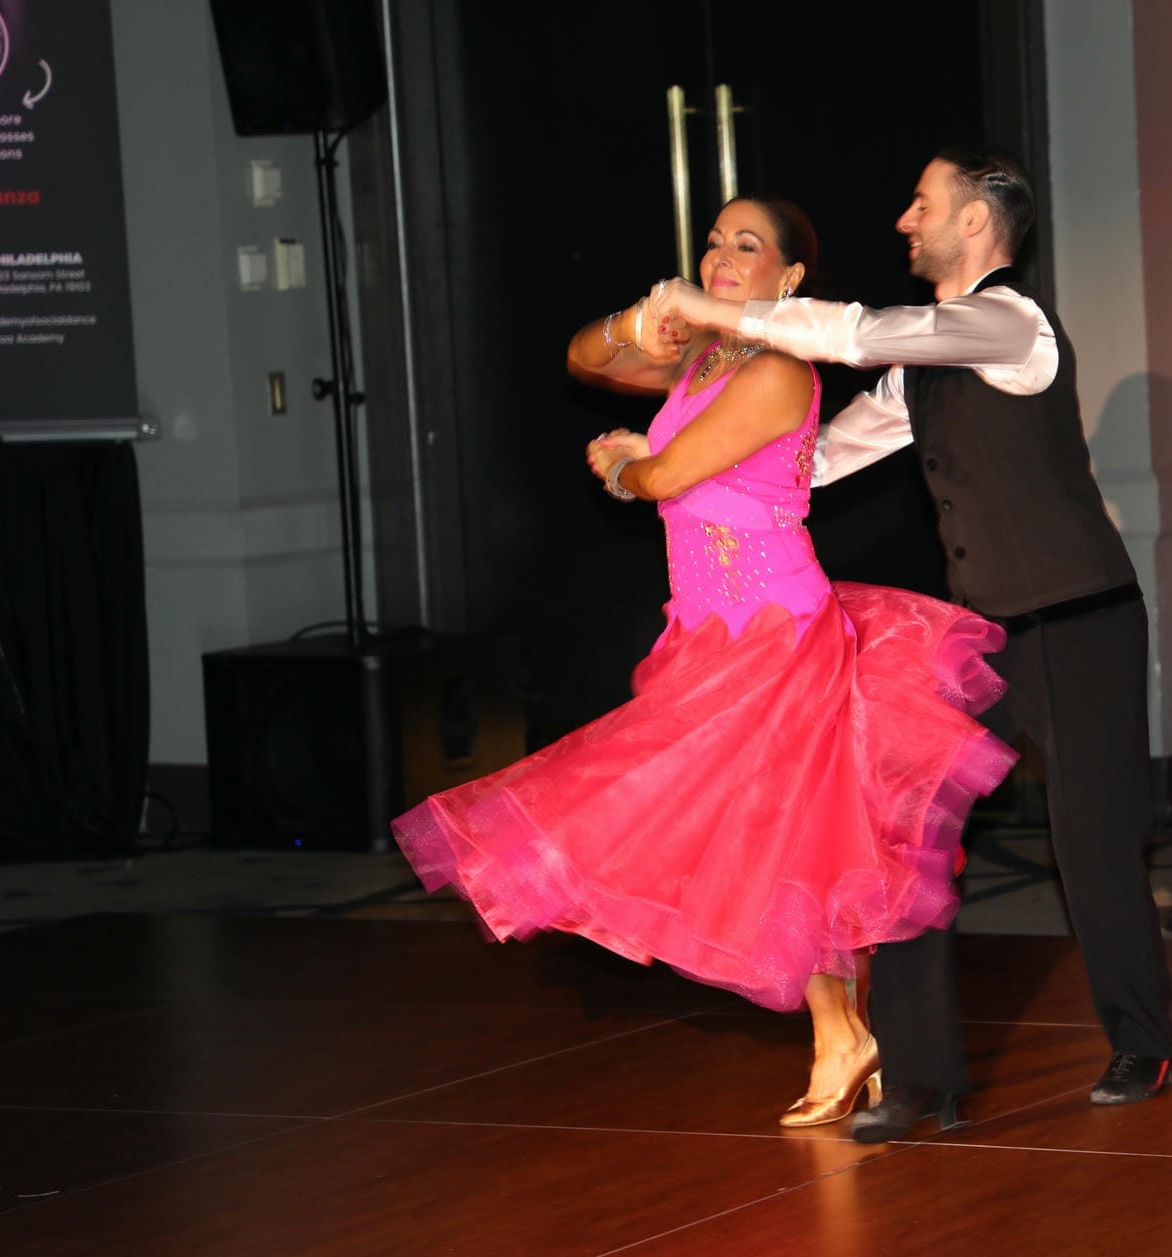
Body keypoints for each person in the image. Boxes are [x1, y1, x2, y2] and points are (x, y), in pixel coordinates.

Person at [391, 197, 1016, 1129]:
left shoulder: (773, 371)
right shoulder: (710, 357)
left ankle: (848, 1036)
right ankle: (845, 1035)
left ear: (789, 280)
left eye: (748, 247)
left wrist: (621, 462)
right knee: (776, 836)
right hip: (711, 627)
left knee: (780, 830)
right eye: (716, 243)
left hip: (775, 629)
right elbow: (583, 358)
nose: (723, 257)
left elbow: (667, 478)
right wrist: (640, 323)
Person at [650, 147, 1172, 1144]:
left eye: (922, 204)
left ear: (975, 223)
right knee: (891, 836)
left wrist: (717, 310)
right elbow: (820, 454)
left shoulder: (1006, 323)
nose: (904, 219)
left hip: (1075, 621)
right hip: (979, 631)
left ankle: (1142, 1038)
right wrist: (692, 471)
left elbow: (857, 333)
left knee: (1091, 842)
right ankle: (921, 1079)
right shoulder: (924, 366)